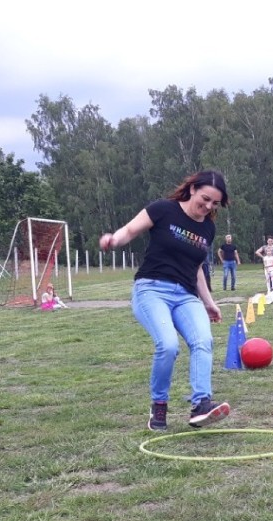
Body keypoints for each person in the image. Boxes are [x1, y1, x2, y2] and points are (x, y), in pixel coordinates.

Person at [98, 170, 231, 432]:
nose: (208, 207)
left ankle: (200, 405)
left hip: (186, 295)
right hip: (152, 289)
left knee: (204, 341)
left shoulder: (208, 227)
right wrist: (114, 240)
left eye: (215, 204)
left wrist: (209, 301)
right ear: (192, 189)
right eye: (205, 199)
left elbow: (196, 268)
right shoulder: (163, 209)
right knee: (168, 345)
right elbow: (130, 230)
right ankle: (159, 405)